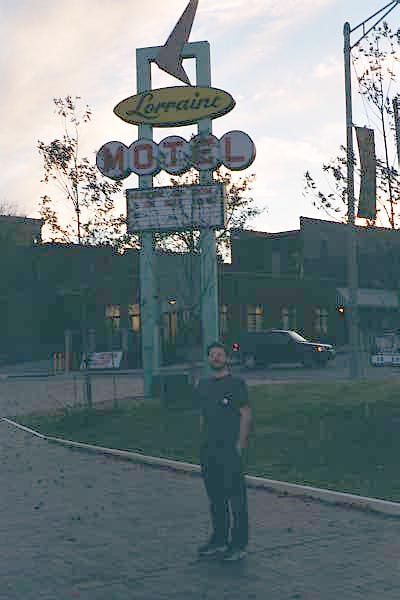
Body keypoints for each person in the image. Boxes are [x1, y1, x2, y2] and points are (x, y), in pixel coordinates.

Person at [194, 341, 253, 562]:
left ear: (226, 358)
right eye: (212, 355)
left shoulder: (236, 384)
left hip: (229, 449)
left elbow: (246, 414)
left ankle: (239, 544)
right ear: (208, 359)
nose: (216, 358)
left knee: (236, 499)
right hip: (209, 450)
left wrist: (240, 444)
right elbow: (202, 415)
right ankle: (219, 540)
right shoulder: (203, 385)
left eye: (220, 354)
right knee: (216, 498)